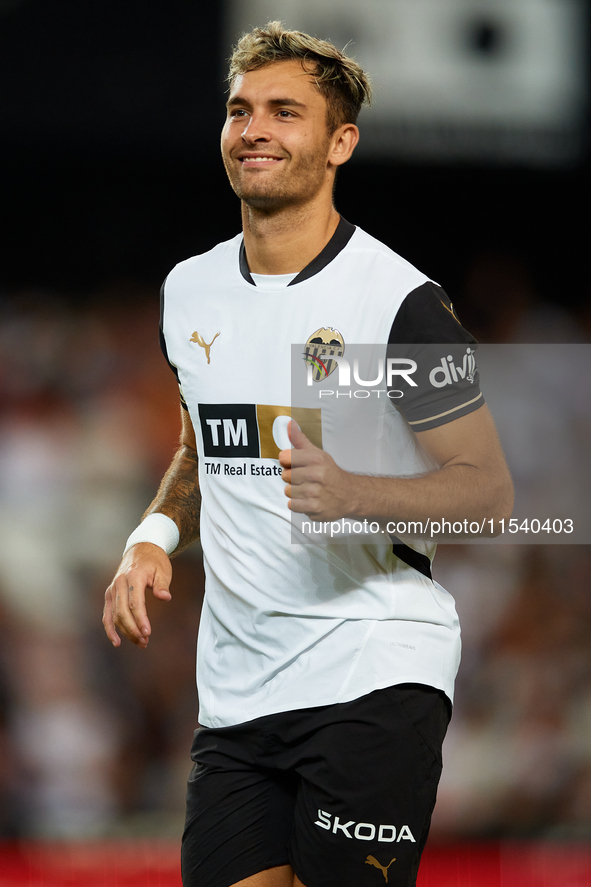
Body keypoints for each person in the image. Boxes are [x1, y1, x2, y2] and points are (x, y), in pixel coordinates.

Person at [103, 21, 513, 887]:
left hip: (373, 669)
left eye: (283, 112)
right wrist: (150, 539)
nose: (253, 129)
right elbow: (199, 447)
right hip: (238, 690)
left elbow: (489, 492)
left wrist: (355, 490)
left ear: (339, 143)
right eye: (239, 110)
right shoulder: (190, 288)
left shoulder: (401, 303)